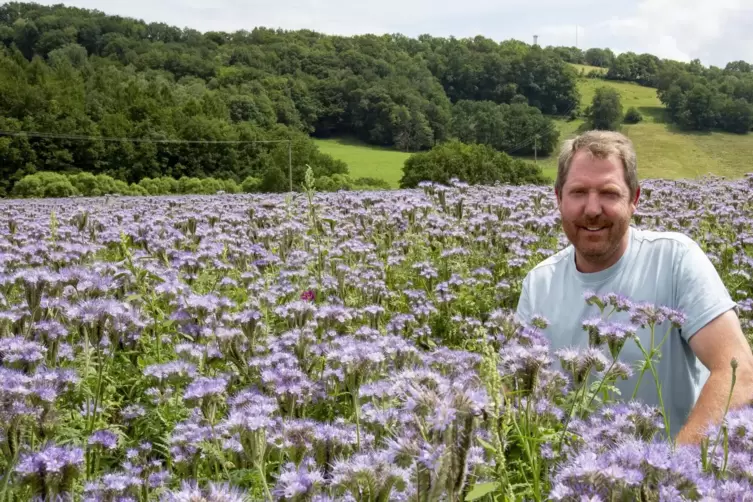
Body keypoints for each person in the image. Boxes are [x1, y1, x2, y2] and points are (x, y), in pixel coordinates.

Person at [515, 130, 753, 445]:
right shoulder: (538, 282)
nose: (592, 209)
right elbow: (515, 391)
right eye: (578, 192)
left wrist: (671, 471)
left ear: (634, 199)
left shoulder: (674, 259)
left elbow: (739, 373)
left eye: (609, 193)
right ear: (559, 198)